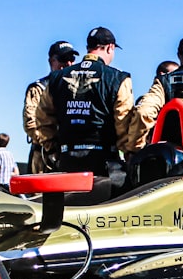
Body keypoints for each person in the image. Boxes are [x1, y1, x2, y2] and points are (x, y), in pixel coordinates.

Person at [34, 26, 133, 186]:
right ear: (110, 48)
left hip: (67, 161)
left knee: (68, 208)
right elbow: (124, 122)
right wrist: (129, 152)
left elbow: (42, 118)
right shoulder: (117, 78)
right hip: (104, 163)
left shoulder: (57, 78)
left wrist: (53, 149)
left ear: (88, 48)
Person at [23, 40, 79, 173]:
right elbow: (30, 123)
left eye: (72, 59)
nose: (69, 63)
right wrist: (51, 147)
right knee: (40, 193)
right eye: (63, 59)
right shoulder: (39, 88)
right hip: (45, 156)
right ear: (51, 61)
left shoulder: (79, 88)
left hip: (72, 153)